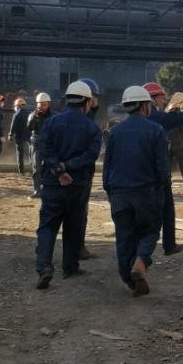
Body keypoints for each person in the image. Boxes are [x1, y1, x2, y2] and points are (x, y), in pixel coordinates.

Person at [34, 80, 102, 289]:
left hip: (52, 183)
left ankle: (44, 268)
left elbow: (44, 149)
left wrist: (58, 169)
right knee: (73, 226)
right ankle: (70, 267)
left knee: (47, 226)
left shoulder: (52, 122)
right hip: (78, 184)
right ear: (87, 102)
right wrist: (67, 167)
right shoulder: (92, 127)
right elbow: (90, 155)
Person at [103, 85, 169, 296]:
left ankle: (128, 279)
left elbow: (107, 166)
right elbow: (162, 168)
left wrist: (110, 191)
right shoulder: (156, 130)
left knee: (124, 236)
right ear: (144, 106)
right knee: (150, 231)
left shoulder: (115, 132)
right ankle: (140, 262)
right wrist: (161, 191)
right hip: (146, 192)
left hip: (119, 193)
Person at [143, 81, 183, 256]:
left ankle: (140, 253)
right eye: (161, 97)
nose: (163, 101)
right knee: (166, 210)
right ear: (152, 99)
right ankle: (165, 246)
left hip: (138, 174)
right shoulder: (156, 117)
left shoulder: (126, 125)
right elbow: (178, 119)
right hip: (157, 175)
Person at [76, 78, 102, 261]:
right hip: (81, 172)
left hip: (64, 172)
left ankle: (45, 250)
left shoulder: (61, 118)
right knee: (78, 211)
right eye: (93, 97)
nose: (96, 100)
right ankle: (78, 249)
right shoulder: (85, 123)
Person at [27, 92, 55, 198]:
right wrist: (34, 117)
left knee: (50, 168)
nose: (42, 107)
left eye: (44, 104)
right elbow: (29, 128)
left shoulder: (55, 116)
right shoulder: (32, 115)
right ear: (37, 104)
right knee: (36, 168)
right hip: (36, 145)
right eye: (40, 104)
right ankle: (37, 191)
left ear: (49, 104)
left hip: (50, 145)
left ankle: (48, 190)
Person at [9, 97, 32, 174]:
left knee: (20, 153)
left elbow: (13, 125)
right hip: (29, 135)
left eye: (15, 106)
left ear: (18, 106)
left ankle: (21, 171)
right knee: (32, 150)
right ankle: (33, 166)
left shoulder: (16, 114)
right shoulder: (30, 113)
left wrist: (10, 134)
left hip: (19, 136)